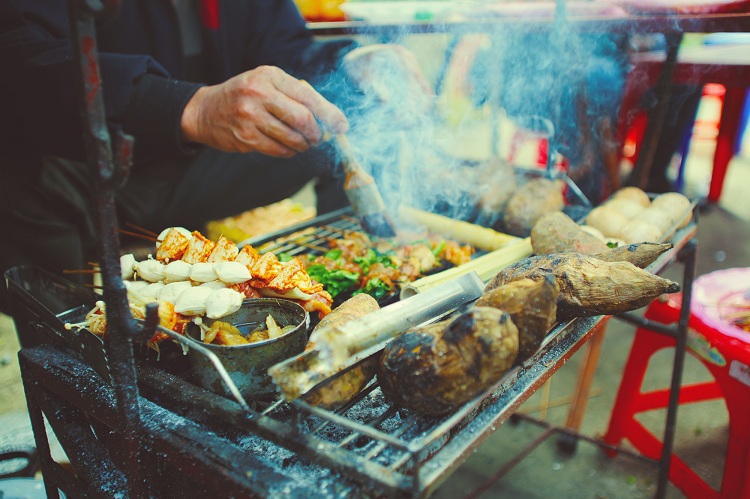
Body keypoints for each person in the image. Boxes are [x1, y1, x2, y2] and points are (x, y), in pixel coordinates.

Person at [0, 0, 427, 313]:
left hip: (203, 165)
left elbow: (286, 49)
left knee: (348, 118)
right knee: (16, 178)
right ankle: (66, 348)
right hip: (88, 167)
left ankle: (352, 296)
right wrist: (191, 108)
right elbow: (18, 60)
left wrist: (348, 63)